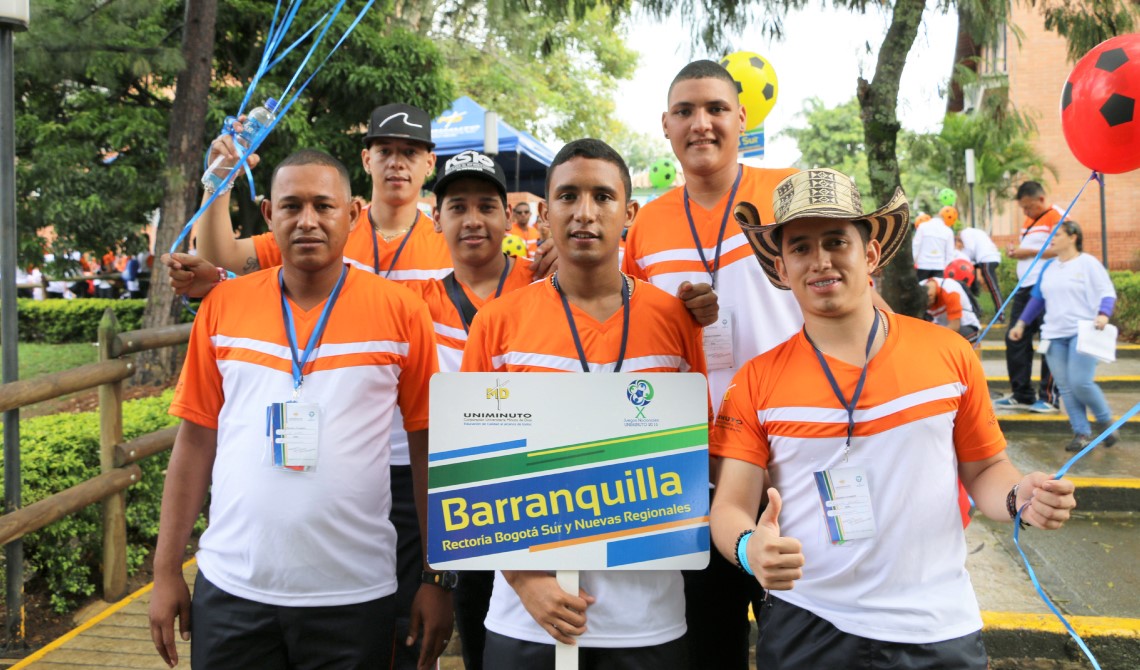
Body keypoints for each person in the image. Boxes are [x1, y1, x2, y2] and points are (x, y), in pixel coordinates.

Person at [713, 167, 1077, 669]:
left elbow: (986, 471)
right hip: (807, 624)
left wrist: (1021, 497)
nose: (820, 261)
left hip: (936, 625)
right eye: (799, 247)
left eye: (836, 241)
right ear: (780, 267)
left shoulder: (948, 353)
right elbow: (729, 507)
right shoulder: (755, 381)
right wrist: (751, 547)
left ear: (870, 253)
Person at [147, 150, 451, 670]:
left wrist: (436, 577)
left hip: (355, 595)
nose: (307, 220)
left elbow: (428, 447)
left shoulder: (401, 312)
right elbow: (196, 441)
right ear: (268, 214)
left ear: (353, 215)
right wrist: (166, 569)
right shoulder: (223, 306)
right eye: (291, 206)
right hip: (233, 588)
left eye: (323, 206)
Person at [461, 139, 708, 669]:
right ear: (545, 212)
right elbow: (474, 472)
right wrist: (527, 583)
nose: (585, 213)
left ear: (629, 213)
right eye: (569, 196)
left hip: (648, 622)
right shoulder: (498, 324)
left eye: (602, 196)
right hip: (525, 619)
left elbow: (694, 459)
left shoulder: (674, 321)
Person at [619, 59, 799, 668]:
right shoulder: (645, 226)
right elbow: (631, 332)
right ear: (665, 125)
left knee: (800, 639)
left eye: (717, 108)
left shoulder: (786, 191)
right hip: (694, 474)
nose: (702, 123)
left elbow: (849, 299)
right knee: (708, 643)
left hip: (791, 458)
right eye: (686, 111)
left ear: (742, 118)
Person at [414, 150, 537, 669]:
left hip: (540, 493)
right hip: (463, 499)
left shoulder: (546, 284)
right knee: (480, 641)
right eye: (456, 206)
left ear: (508, 216)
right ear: (436, 218)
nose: (472, 220)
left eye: (486, 206)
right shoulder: (414, 303)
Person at [1009, 220, 1119, 452]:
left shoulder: (1087, 263)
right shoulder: (1049, 267)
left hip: (1084, 332)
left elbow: (1107, 292)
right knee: (1066, 386)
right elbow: (1037, 299)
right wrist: (1021, 323)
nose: (1052, 239)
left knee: (1080, 382)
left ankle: (1106, 422)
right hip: (1053, 334)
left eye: (1057, 234)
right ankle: (1081, 433)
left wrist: (1103, 315)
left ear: (1073, 237)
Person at [996, 181, 1059, 413]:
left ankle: (1049, 397)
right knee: (1015, 337)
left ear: (1041, 200)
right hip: (1026, 289)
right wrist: (1017, 253)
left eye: (1028, 207)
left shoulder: (1057, 216)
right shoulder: (1028, 221)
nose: (1025, 212)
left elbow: (1066, 248)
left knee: (1048, 339)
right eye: (1023, 208)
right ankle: (1022, 394)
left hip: (1048, 287)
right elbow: (1031, 251)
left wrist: (1029, 252)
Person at [957, 224, 1004, 311]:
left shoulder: (965, 233)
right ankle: (976, 307)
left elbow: (969, 250)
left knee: (993, 288)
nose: (960, 246)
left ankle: (1000, 314)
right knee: (971, 283)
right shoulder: (975, 232)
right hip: (991, 257)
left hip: (986, 259)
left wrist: (959, 255)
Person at [922, 276, 981, 342]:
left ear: (931, 296)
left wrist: (933, 336)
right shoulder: (919, 288)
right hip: (941, 326)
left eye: (928, 306)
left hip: (964, 325)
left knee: (944, 341)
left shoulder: (950, 291)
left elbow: (955, 326)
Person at [912, 205, 956, 280]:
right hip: (939, 267)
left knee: (922, 289)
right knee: (936, 290)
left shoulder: (922, 226)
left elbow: (916, 246)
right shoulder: (948, 231)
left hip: (923, 265)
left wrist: (914, 261)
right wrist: (945, 267)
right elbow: (950, 254)